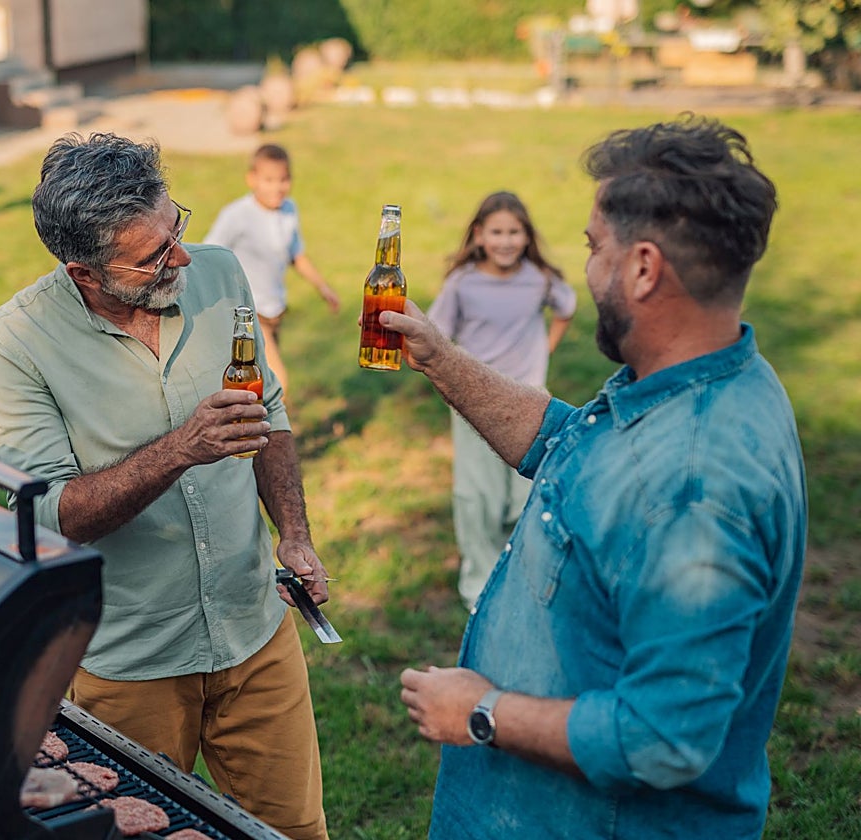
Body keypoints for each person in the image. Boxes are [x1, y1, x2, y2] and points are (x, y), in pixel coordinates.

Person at [389, 115, 806, 838]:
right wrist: (437, 354)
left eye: (593, 247)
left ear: (643, 268)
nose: (586, 267)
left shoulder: (692, 486)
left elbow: (663, 736)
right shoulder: (698, 377)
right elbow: (569, 444)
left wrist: (482, 711)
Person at [0, 132, 330, 840]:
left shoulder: (222, 274)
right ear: (85, 273)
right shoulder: (14, 344)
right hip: (127, 661)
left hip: (255, 629)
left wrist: (294, 534)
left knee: (293, 833)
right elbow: (53, 515)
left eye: (177, 229)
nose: (183, 258)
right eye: (154, 256)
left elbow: (270, 411)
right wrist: (181, 450)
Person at [427, 191, 575, 605]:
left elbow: (566, 307)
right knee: (478, 497)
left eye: (514, 232)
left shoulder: (539, 279)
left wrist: (544, 349)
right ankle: (479, 588)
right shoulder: (462, 283)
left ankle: (524, 575)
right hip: (475, 402)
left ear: (527, 236)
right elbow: (435, 335)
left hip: (531, 401)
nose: (506, 241)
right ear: (478, 236)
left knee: (528, 495)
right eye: (497, 232)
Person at [203, 143, 340, 397]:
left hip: (276, 311)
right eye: (268, 180)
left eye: (284, 179)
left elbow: (296, 255)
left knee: (260, 390)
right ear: (251, 179)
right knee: (278, 384)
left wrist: (323, 287)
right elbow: (208, 255)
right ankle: (282, 434)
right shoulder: (237, 215)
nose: (277, 188)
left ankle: (258, 433)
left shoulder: (289, 210)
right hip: (248, 315)